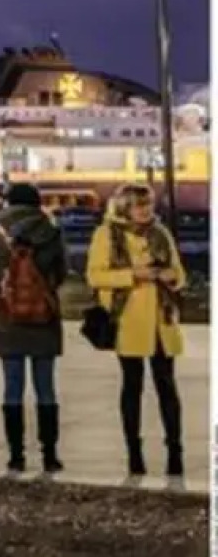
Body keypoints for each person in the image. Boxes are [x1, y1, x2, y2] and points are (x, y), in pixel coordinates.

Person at [87, 185, 187, 478]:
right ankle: (134, 454)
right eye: (138, 205)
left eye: (148, 204)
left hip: (162, 320)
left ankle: (175, 453)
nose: (145, 211)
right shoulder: (107, 234)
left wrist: (172, 277)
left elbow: (179, 273)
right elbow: (95, 275)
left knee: (166, 386)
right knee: (132, 386)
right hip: (128, 320)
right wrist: (134, 275)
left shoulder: (161, 233)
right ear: (124, 208)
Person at [0, 182, 66, 474]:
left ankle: (16, 456)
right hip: (44, 317)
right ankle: (50, 455)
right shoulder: (51, 230)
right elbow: (61, 273)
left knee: (12, 388)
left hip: (7, 317)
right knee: (46, 388)